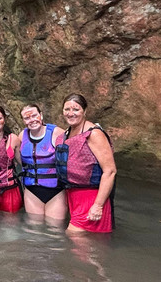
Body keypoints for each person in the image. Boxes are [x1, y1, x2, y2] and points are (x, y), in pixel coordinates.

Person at [54, 94, 116, 233]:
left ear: (85, 111)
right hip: (73, 195)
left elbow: (110, 171)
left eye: (76, 109)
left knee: (73, 237)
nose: (71, 113)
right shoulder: (65, 135)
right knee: (85, 245)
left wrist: (98, 205)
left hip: (92, 197)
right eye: (67, 109)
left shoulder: (93, 134)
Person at [17, 103, 67, 224]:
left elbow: (71, 157)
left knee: (55, 229)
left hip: (55, 190)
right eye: (27, 118)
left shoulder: (56, 133)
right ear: (23, 120)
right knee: (35, 231)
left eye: (34, 115)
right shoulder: (22, 136)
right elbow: (20, 161)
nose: (32, 120)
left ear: (41, 115)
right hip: (32, 191)